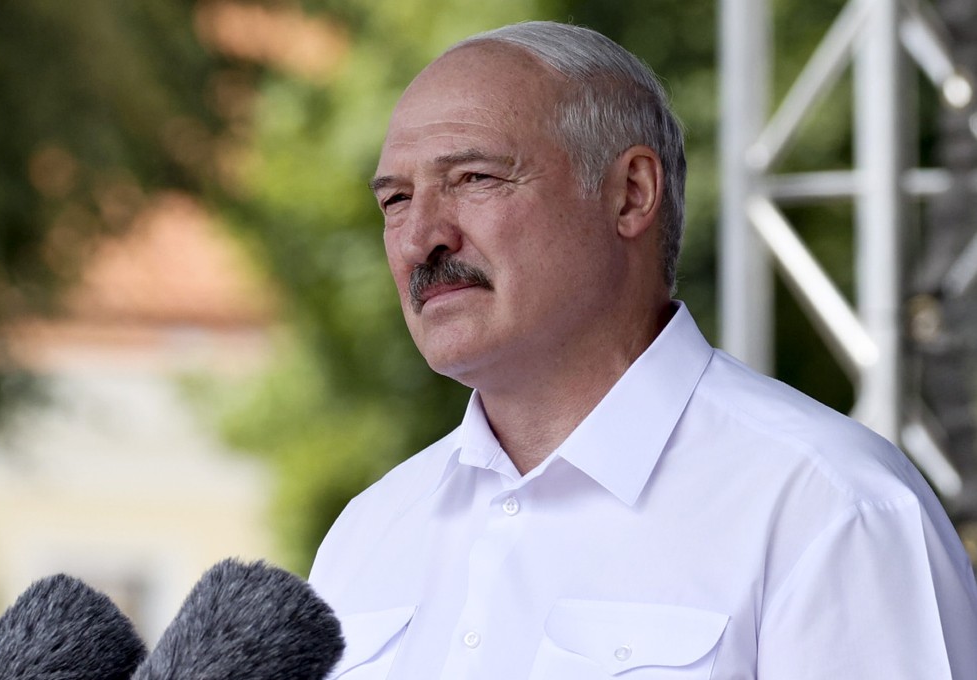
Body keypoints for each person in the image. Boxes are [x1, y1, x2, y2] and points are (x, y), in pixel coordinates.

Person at [309, 20, 977, 679]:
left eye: (475, 179)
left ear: (630, 193)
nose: (420, 237)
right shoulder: (368, 534)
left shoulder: (833, 509)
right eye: (396, 199)